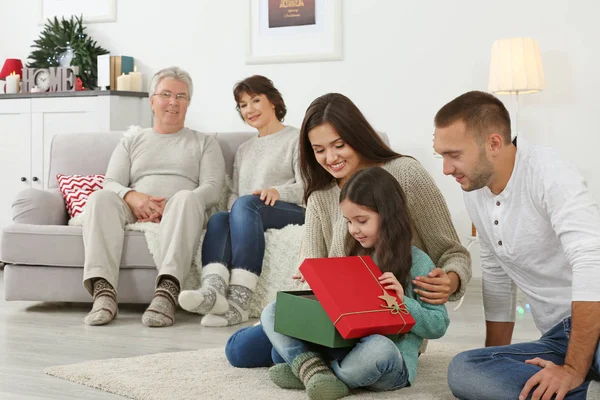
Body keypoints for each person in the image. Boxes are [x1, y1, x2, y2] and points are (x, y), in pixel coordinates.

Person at [224, 93, 471, 367]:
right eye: (319, 150)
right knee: (239, 350)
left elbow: (453, 252)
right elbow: (308, 268)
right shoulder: (320, 195)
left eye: (339, 145)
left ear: (357, 136)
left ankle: (307, 360)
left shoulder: (405, 173)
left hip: (389, 323)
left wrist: (451, 280)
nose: (330, 158)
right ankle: (308, 359)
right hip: (333, 316)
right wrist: (309, 286)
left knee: (277, 352)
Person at [433, 91, 600, 400]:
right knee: (466, 370)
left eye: (454, 155)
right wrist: (494, 359)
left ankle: (577, 381)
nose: (445, 168)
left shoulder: (549, 171)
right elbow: (497, 275)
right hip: (559, 337)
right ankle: (587, 391)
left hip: (595, 317)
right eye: (441, 155)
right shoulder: (474, 189)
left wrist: (573, 369)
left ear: (494, 143)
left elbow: (592, 262)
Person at [261, 166, 450, 399]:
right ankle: (317, 372)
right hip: (344, 350)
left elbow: (438, 324)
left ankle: (312, 372)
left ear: (389, 215)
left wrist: (403, 303)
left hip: (391, 361)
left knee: (379, 347)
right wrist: (320, 286)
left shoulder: (419, 263)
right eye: (349, 222)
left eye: (361, 220)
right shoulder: (354, 257)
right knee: (273, 311)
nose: (354, 230)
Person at [82, 66, 225, 327]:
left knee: (185, 198)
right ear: (152, 101)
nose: (173, 102)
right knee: (100, 198)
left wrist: (171, 204)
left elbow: (213, 188)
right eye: (166, 94)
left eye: (181, 97)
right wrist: (134, 197)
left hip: (182, 209)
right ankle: (103, 293)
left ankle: (167, 292)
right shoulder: (132, 141)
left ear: (188, 103)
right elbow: (110, 182)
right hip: (135, 207)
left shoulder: (204, 142)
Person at [178, 75, 305, 327]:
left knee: (246, 204)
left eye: (255, 100)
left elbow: (309, 186)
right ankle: (212, 292)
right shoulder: (245, 149)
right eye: (243, 105)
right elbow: (236, 191)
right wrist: (233, 205)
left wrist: (278, 192)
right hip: (250, 210)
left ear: (273, 102)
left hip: (291, 209)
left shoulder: (297, 139)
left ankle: (238, 302)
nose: (249, 109)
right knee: (219, 218)